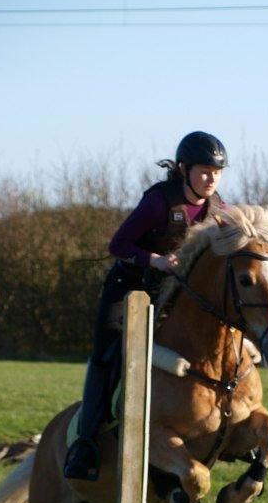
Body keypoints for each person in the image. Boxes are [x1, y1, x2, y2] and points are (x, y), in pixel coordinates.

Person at [63, 131, 228, 481]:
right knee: (109, 357)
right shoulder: (158, 202)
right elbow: (118, 244)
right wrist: (154, 260)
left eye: (217, 172)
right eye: (204, 171)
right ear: (184, 169)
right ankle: (85, 444)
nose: (211, 178)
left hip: (172, 295)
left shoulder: (219, 210)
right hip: (128, 289)